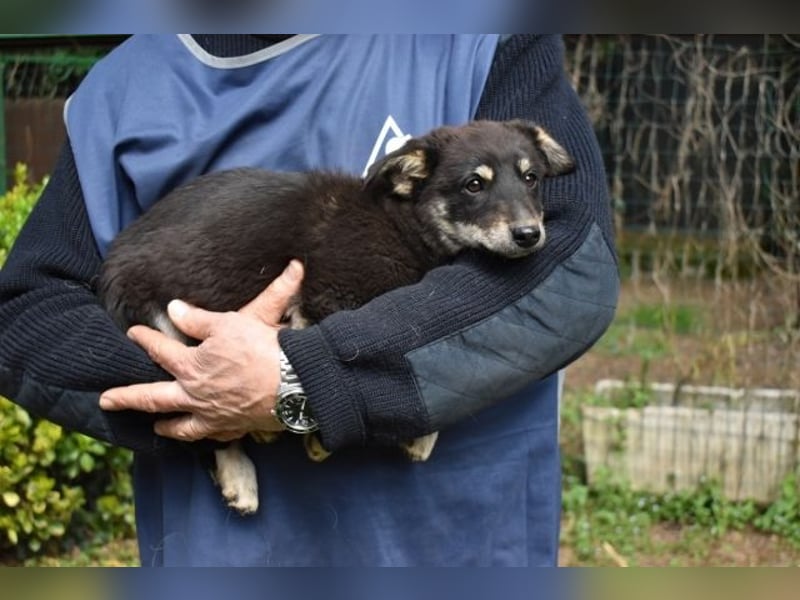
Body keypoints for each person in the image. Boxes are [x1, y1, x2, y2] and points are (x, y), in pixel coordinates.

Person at [0, 34, 619, 566]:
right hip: (228, 558)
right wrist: (199, 384)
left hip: (444, 546)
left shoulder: (480, 35)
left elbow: (570, 265)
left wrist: (303, 379)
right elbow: (26, 311)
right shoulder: (126, 88)